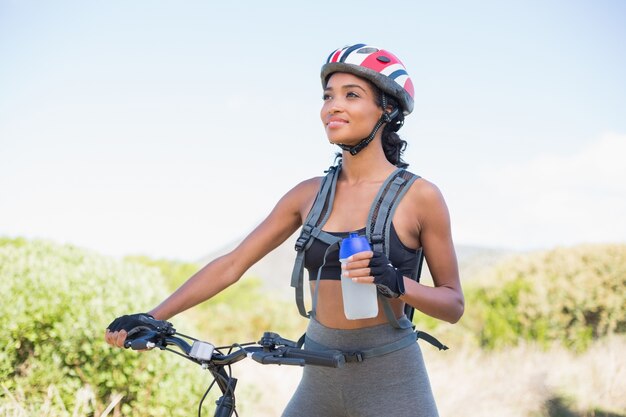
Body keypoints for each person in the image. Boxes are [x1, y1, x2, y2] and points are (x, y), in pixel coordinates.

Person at [106, 43, 464, 417]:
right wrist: (153, 316)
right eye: (328, 96)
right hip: (318, 376)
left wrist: (395, 281)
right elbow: (232, 265)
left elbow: (453, 304)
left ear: (387, 110)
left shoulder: (420, 197)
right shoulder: (308, 195)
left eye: (351, 95)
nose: (332, 106)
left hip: (391, 379)